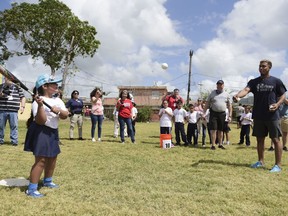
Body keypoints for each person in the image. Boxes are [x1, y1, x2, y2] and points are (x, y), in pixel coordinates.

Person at [233, 59, 286, 172]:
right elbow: (246, 90)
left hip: (272, 116)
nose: (261, 68)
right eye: (260, 66)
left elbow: (282, 95)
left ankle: (278, 165)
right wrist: (238, 96)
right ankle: (260, 161)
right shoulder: (254, 82)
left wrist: (277, 104)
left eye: (263, 66)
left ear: (269, 67)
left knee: (276, 139)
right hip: (258, 115)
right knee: (260, 139)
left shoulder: (276, 81)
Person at [24, 74, 68, 197]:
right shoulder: (37, 101)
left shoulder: (57, 100)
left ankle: (48, 181)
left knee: (53, 157)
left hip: (53, 131)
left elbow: (66, 114)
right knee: (41, 160)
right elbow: (40, 121)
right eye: (53, 84)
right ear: (44, 86)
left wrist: (58, 111)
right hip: (41, 131)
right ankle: (32, 189)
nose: (56, 86)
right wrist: (41, 106)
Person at [204, 80, 232, 150]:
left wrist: (230, 116)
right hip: (213, 113)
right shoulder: (212, 93)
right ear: (217, 85)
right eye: (218, 84)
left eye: (221, 84)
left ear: (223, 85)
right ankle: (213, 145)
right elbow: (207, 103)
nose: (220, 86)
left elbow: (230, 106)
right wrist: (204, 113)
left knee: (221, 130)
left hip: (222, 114)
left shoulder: (227, 94)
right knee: (213, 130)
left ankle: (220, 144)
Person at [0, 77, 26, 146]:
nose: (9, 80)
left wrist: (23, 106)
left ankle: (14, 141)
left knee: (14, 126)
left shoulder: (17, 87)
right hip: (2, 110)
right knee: (0, 126)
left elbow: (22, 97)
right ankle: (0, 140)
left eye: (11, 79)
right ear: (5, 78)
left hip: (13, 111)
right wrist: (3, 91)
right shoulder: (1, 86)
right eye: (7, 78)